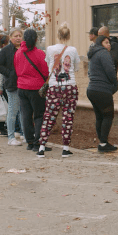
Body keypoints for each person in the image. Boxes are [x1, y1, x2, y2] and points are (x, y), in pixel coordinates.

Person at [38, 22, 80, 158]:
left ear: (57, 35)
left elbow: (47, 64)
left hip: (54, 86)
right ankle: (65, 148)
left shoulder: (50, 49)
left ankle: (41, 147)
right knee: (68, 117)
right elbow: (76, 68)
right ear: (69, 35)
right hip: (70, 86)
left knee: (49, 116)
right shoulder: (73, 50)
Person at [14, 28, 48, 152]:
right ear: (36, 39)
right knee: (39, 115)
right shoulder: (39, 53)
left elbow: (17, 70)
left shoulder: (18, 53)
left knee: (26, 115)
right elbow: (45, 71)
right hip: (36, 88)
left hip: (22, 87)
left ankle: (29, 141)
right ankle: (37, 142)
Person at [87, 35, 118, 153]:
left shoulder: (93, 54)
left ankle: (102, 142)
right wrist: (115, 82)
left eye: (109, 43)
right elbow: (110, 71)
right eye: (106, 43)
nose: (109, 45)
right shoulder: (104, 53)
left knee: (100, 116)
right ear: (101, 44)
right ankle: (104, 143)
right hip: (102, 90)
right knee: (108, 115)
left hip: (92, 89)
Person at [0, 28, 24, 146]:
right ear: (10, 37)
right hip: (12, 85)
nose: (18, 38)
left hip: (24, 83)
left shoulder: (24, 49)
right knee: (13, 110)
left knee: (23, 111)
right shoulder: (6, 50)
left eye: (20, 35)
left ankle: (25, 134)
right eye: (16, 36)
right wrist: (10, 73)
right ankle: (11, 136)